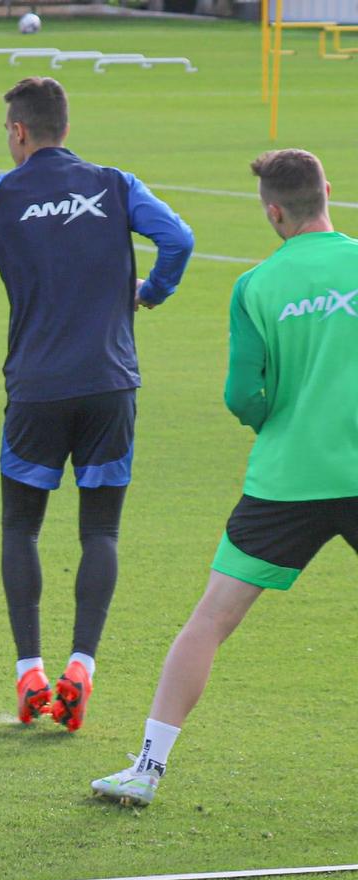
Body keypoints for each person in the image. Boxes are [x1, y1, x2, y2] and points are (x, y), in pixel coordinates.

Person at [0, 76, 193, 732]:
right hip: (111, 387)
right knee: (101, 531)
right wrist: (152, 291)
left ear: (19, 131)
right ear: (64, 125)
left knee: (21, 528)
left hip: (36, 391)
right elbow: (178, 239)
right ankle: (81, 666)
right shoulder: (115, 185)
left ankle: (30, 672)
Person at [95, 150, 358, 807]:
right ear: (327, 190)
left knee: (211, 618)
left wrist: (280, 414)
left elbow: (244, 395)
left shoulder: (256, 286)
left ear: (272, 211)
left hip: (285, 481)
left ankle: (147, 769)